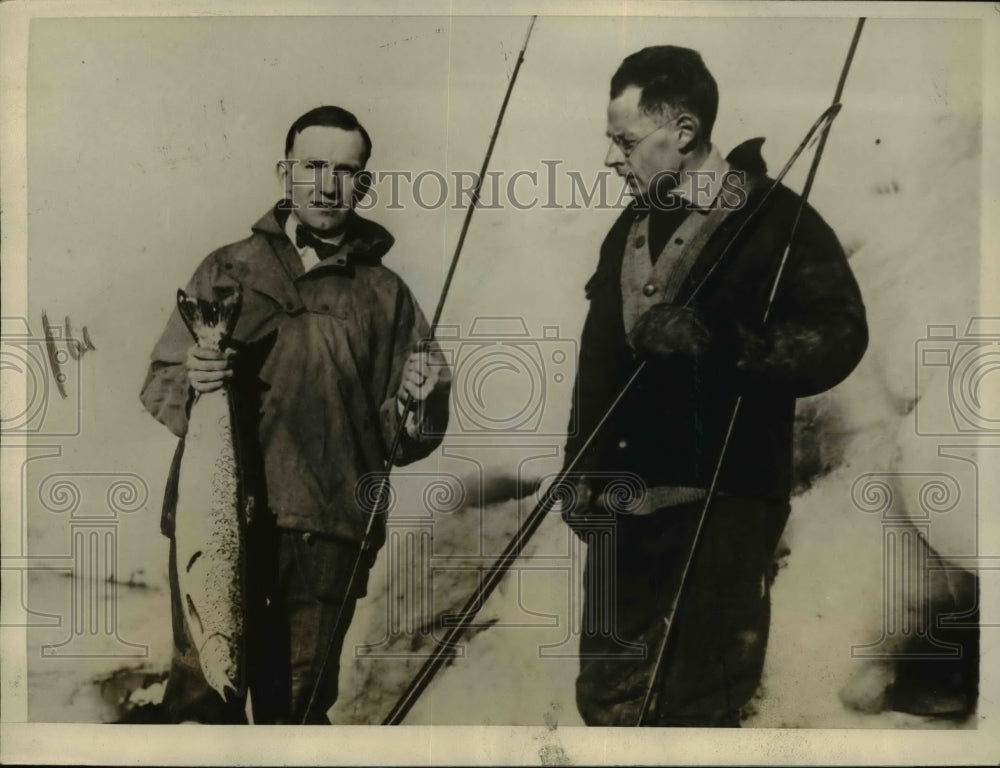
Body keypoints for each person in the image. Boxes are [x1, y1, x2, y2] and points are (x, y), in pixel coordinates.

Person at [560, 46, 868, 727]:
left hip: (723, 505)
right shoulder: (629, 226)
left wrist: (726, 345)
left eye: (626, 141)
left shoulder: (777, 222)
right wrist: (579, 466)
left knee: (700, 702)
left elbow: (840, 333)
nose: (612, 157)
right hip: (623, 510)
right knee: (609, 701)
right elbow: (599, 357)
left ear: (687, 131)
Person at [140, 105, 451, 724]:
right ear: (285, 172)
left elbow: (405, 434)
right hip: (215, 524)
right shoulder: (227, 268)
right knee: (203, 701)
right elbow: (160, 379)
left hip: (328, 536)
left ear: (363, 182)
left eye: (346, 170)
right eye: (313, 166)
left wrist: (420, 403)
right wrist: (192, 382)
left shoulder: (387, 295)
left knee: (297, 714)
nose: (328, 185)